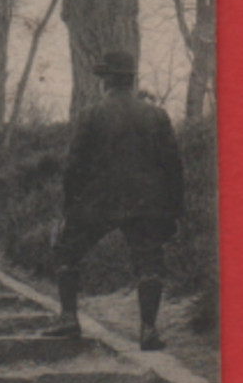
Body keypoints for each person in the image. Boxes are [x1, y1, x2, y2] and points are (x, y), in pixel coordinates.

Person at [46, 50, 185, 350]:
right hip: (146, 203)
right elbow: (173, 167)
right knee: (149, 262)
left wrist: (70, 208)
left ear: (106, 81)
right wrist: (173, 212)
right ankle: (148, 330)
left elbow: (74, 167)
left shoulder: (90, 115)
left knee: (66, 251)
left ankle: (69, 318)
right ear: (131, 81)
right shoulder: (157, 115)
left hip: (98, 203)